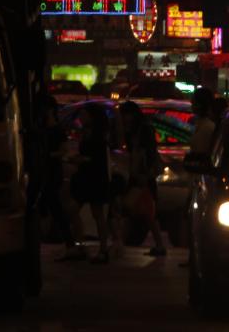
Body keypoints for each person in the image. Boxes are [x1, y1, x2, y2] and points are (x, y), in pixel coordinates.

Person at [34, 93, 85, 261]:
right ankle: (68, 243)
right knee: (51, 207)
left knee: (54, 207)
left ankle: (70, 244)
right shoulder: (41, 128)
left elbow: (63, 150)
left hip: (51, 171)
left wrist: (49, 155)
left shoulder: (56, 129)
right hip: (45, 171)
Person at [119, 101, 168, 257]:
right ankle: (158, 245)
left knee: (136, 209)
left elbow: (149, 153)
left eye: (127, 114)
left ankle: (119, 242)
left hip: (143, 176)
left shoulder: (143, 130)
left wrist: (145, 174)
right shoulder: (133, 130)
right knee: (145, 212)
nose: (125, 118)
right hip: (140, 175)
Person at [70, 103, 114, 263]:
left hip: (94, 178)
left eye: (83, 114)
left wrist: (78, 159)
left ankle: (101, 249)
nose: (80, 117)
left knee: (97, 214)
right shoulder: (87, 133)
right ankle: (82, 245)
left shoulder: (97, 136)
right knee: (75, 210)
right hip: (87, 177)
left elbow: (95, 158)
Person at [187, 87, 217, 157]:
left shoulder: (207, 127)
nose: (191, 103)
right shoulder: (199, 124)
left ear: (200, 104)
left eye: (193, 101)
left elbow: (200, 153)